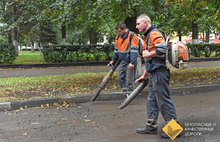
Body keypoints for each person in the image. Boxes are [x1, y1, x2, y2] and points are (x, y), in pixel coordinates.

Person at [135, 14, 180, 138]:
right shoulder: (147, 36)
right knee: (152, 101)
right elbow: (151, 61)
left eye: (138, 24)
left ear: (146, 23)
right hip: (154, 73)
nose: (136, 26)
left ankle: (174, 129)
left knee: (163, 101)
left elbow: (162, 50)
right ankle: (151, 127)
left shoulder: (154, 34)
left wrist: (147, 54)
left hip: (160, 73)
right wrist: (144, 75)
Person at [109, 21, 139, 102]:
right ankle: (127, 95)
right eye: (118, 31)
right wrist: (113, 60)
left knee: (130, 81)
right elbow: (116, 50)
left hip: (130, 62)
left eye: (120, 31)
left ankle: (129, 99)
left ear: (124, 29)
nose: (119, 33)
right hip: (123, 61)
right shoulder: (118, 36)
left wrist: (132, 62)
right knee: (120, 78)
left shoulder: (132, 36)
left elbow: (134, 50)